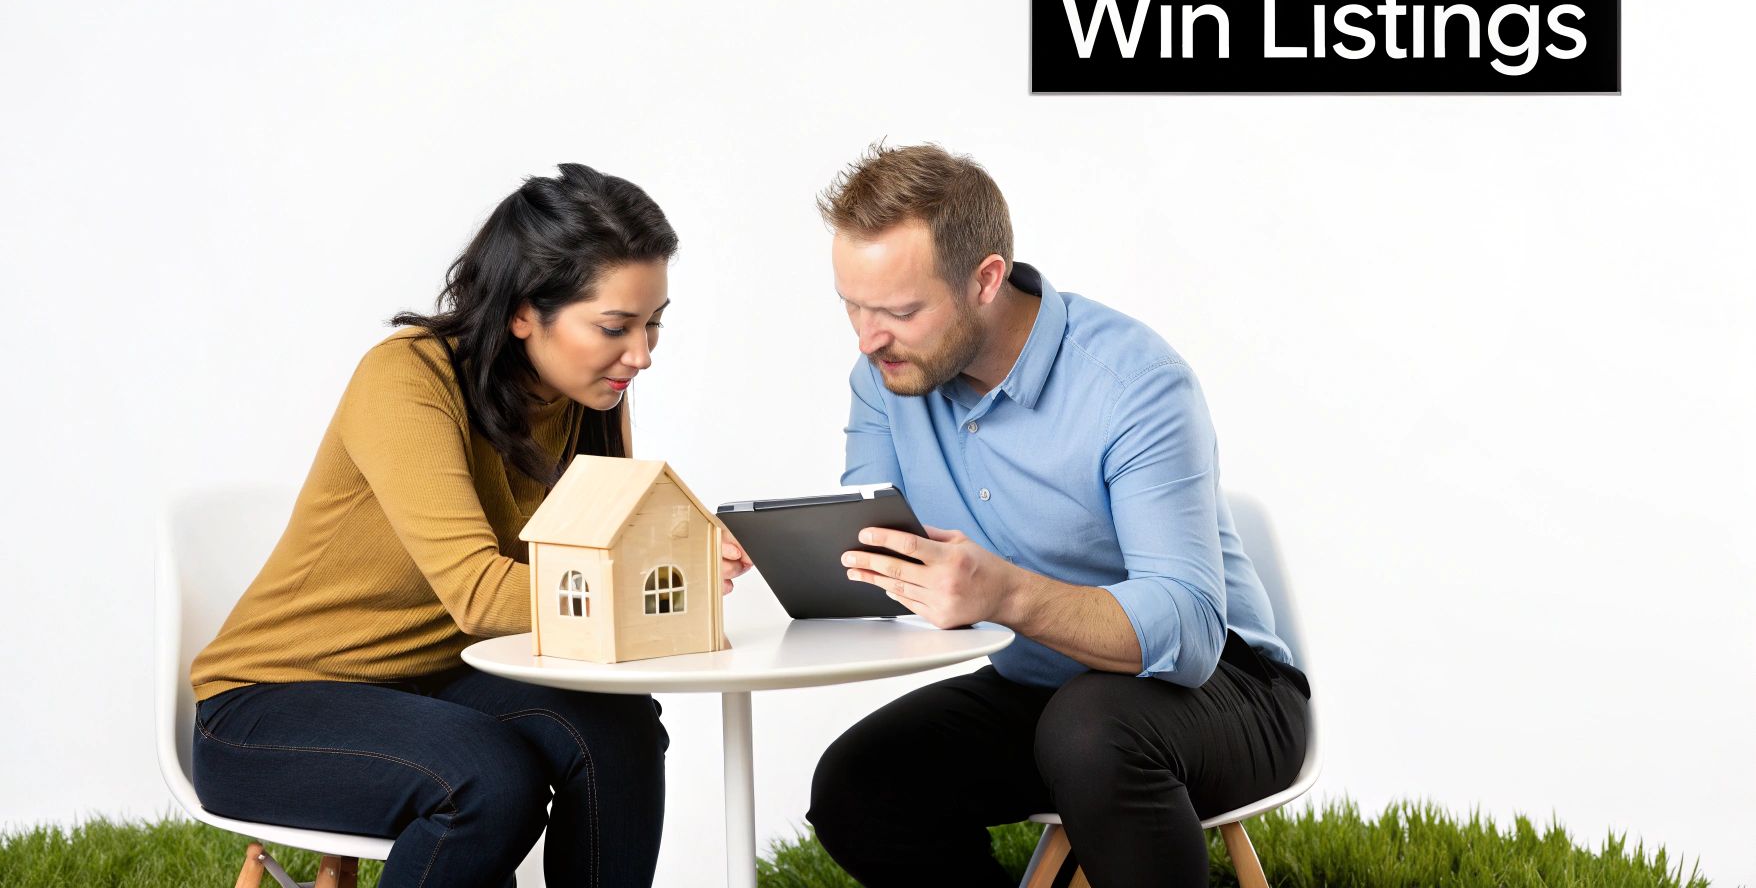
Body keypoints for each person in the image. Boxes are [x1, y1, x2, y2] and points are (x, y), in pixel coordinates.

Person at [189, 164, 753, 888]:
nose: (640, 355)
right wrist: (644, 590)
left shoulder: (591, 397)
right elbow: (478, 594)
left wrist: (684, 553)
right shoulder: (407, 380)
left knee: (618, 729)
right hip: (270, 707)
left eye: (653, 325)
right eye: (615, 327)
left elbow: (595, 551)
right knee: (488, 780)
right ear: (525, 311)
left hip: (445, 683)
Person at [804, 144, 1311, 888]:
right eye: (853, 305)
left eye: (901, 311)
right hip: (1046, 689)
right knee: (860, 784)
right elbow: (878, 538)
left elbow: (1191, 630)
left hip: (1229, 692)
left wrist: (1006, 594)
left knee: (1091, 732)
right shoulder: (886, 376)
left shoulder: (1133, 383)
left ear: (985, 280)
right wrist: (792, 546)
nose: (867, 338)